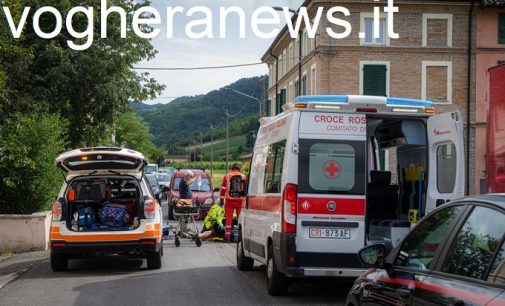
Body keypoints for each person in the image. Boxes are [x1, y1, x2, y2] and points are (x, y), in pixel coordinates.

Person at [220, 163, 247, 242]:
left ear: (232, 169)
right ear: (239, 169)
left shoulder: (227, 176)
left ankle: (227, 236)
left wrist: (221, 200)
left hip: (229, 201)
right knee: (240, 219)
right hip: (240, 200)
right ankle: (240, 236)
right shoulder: (244, 176)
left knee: (229, 219)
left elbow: (223, 189)